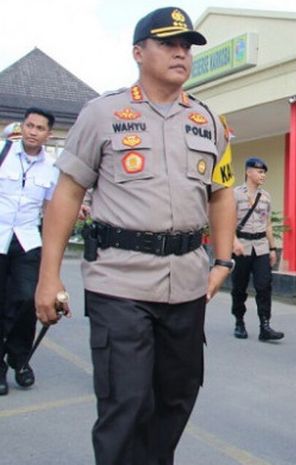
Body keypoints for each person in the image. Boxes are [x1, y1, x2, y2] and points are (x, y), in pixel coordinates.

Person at [34, 7, 236, 465]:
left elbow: (221, 194)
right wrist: (49, 278)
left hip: (186, 284)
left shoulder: (208, 121)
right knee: (125, 403)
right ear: (138, 53)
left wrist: (223, 262)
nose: (180, 53)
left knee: (177, 396)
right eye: (168, 44)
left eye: (186, 46)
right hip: (119, 281)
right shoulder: (102, 114)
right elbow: (66, 195)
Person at [0, 108, 58, 395]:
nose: (33, 131)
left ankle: (19, 356)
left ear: (48, 134)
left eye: (39, 128)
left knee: (25, 299)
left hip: (27, 240)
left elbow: (51, 209)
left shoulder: (51, 167)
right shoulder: (3, 152)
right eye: (29, 125)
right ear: (22, 127)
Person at [230, 157, 284, 341]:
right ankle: (239, 321)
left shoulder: (266, 196)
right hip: (241, 247)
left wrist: (272, 248)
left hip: (260, 247)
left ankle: (265, 326)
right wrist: (233, 241)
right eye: (259, 172)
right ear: (248, 172)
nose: (263, 176)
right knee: (239, 287)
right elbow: (227, 222)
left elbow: (267, 223)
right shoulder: (235, 194)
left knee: (264, 286)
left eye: (264, 173)